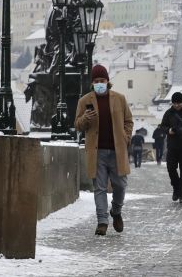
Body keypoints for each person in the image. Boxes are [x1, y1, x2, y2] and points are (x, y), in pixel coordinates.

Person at [75, 64, 133, 236]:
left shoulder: (119, 99)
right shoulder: (84, 101)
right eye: (96, 81)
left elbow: (128, 121)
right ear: (92, 83)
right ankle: (102, 221)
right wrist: (85, 118)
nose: (99, 84)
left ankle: (116, 211)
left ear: (108, 81)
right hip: (97, 151)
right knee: (99, 187)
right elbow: (77, 125)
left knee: (120, 186)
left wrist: (126, 137)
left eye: (102, 80)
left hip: (117, 150)